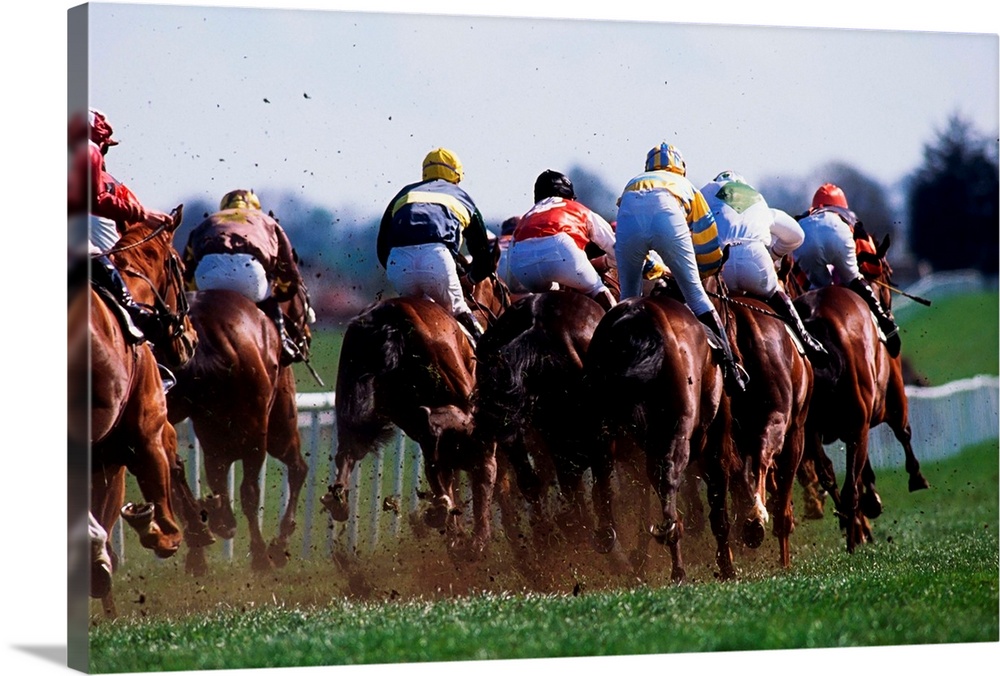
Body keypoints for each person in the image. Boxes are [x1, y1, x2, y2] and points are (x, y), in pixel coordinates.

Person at [615, 142, 747, 394]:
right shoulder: (685, 185)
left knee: (627, 301)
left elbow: (626, 229)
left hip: (628, 214)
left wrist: (653, 268)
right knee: (697, 297)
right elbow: (707, 235)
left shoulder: (634, 182)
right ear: (680, 168)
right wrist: (707, 269)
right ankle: (732, 368)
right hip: (669, 217)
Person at [68, 108, 174, 342]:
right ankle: (131, 314)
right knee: (103, 260)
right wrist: (143, 214)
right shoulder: (89, 150)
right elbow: (96, 200)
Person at [700, 171, 827, 359]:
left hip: (721, 266)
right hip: (755, 261)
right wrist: (774, 254)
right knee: (777, 292)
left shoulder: (705, 193)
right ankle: (806, 338)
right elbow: (797, 235)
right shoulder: (758, 199)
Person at [376, 147, 493, 344]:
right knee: (459, 310)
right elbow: (483, 254)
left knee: (413, 317)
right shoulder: (461, 196)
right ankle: (489, 359)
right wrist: (471, 278)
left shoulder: (404, 193)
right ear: (456, 175)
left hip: (398, 263)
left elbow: (382, 248)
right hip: (436, 261)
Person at [182, 189, 306, 365]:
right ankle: (283, 341)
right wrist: (282, 293)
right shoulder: (267, 221)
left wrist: (192, 295)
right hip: (249, 271)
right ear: (256, 207)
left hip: (208, 271)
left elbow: (186, 267)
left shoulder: (208, 222)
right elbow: (288, 267)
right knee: (269, 300)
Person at [795, 183, 901, 357]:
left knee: (819, 293)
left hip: (804, 236)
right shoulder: (848, 217)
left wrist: (809, 285)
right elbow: (870, 264)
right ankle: (887, 325)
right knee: (853, 279)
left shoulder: (805, 217)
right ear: (840, 205)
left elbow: (798, 271)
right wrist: (865, 273)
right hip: (837, 235)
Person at [507, 170, 618, 310]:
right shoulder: (577, 208)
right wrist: (607, 262)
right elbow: (615, 248)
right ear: (567, 194)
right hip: (561, 252)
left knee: (549, 293)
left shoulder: (527, 216)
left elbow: (513, 276)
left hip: (523, 267)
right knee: (597, 288)